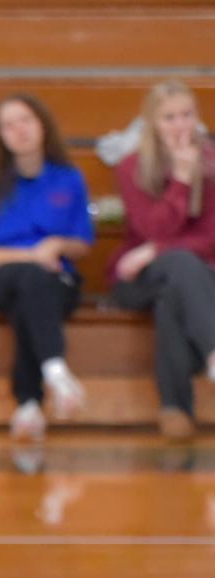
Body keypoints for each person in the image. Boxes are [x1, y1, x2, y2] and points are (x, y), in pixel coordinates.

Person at [0, 95, 93, 441]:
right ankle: (55, 370)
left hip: (54, 279)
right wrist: (31, 256)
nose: (19, 130)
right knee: (31, 279)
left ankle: (29, 405)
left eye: (26, 120)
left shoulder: (68, 178)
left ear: (42, 124)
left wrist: (59, 245)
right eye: (8, 124)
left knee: (30, 298)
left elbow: (82, 242)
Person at [111, 81, 215, 440]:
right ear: (152, 123)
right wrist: (183, 180)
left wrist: (156, 249)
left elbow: (211, 237)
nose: (180, 125)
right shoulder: (131, 168)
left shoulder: (213, 161)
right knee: (181, 267)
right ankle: (213, 354)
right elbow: (152, 226)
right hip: (136, 278)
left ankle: (174, 409)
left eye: (187, 115)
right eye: (169, 117)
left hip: (194, 274)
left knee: (176, 289)